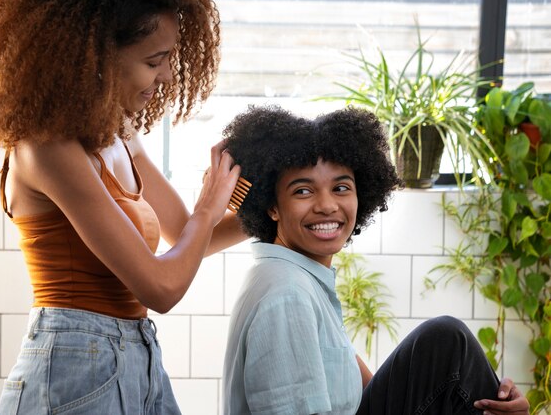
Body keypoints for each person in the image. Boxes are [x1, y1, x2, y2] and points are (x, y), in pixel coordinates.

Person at [0, 0, 248, 414]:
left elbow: (188, 237)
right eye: (155, 61)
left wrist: (273, 210)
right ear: (97, 54)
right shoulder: (47, 147)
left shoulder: (121, 132)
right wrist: (209, 205)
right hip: (72, 365)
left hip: (138, 356)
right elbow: (161, 288)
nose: (167, 74)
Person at [221, 105, 530, 415]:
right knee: (447, 340)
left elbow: (370, 393)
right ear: (272, 207)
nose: (327, 205)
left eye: (341, 188)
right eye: (303, 191)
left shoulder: (297, 278)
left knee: (446, 345)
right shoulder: (287, 293)